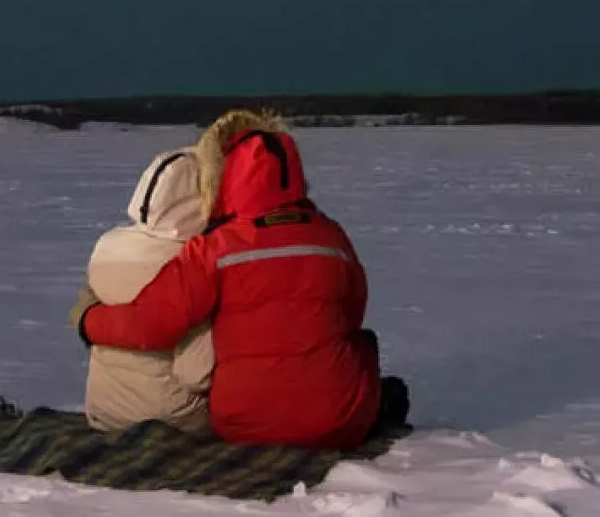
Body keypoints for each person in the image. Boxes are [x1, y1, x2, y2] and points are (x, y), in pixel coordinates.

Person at [71, 109, 387, 450]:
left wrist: (89, 321)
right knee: (362, 345)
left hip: (242, 424)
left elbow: (150, 324)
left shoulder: (215, 249)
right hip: (338, 423)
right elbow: (352, 315)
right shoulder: (332, 238)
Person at [81, 146, 215, 433]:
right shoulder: (192, 263)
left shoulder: (106, 245)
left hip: (102, 411)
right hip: (174, 418)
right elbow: (196, 375)